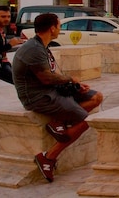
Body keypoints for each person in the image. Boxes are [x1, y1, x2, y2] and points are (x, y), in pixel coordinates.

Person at [12, 13, 103, 182]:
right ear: (52, 28)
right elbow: (46, 78)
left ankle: (59, 122)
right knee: (85, 121)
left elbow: (53, 75)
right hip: (38, 96)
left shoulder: (42, 46)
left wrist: (74, 86)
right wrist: (70, 79)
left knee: (96, 97)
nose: (60, 29)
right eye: (59, 26)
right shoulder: (33, 49)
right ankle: (48, 157)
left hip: (51, 90)